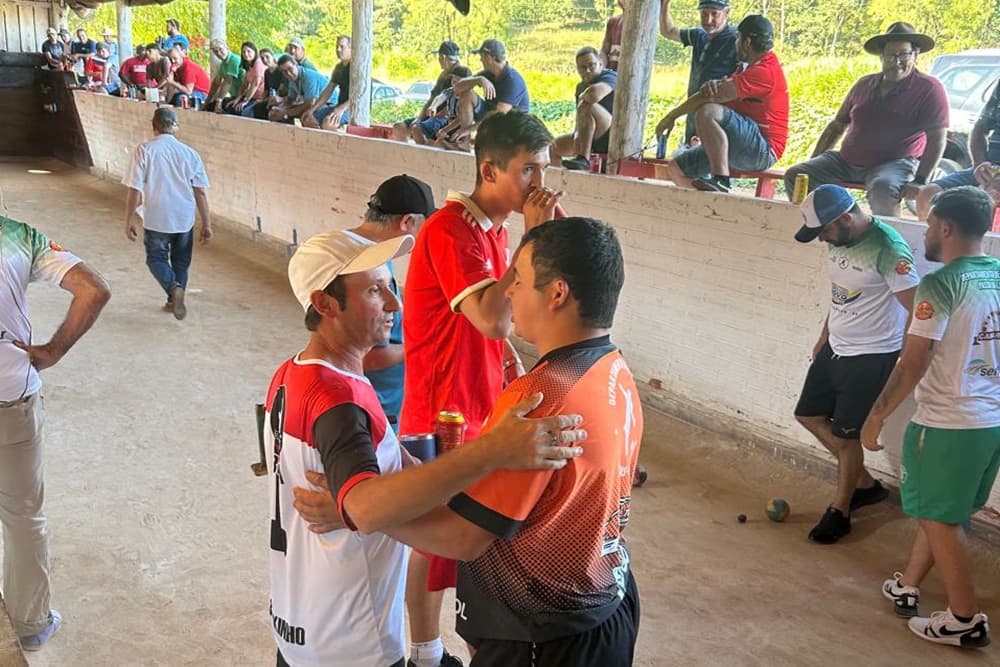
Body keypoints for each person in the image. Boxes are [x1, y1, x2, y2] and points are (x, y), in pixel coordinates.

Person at [266, 229, 584, 667]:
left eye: (390, 286)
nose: (395, 305)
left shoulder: (292, 373)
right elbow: (362, 505)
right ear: (324, 304)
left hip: (299, 626)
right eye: (376, 291)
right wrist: (492, 450)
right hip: (353, 643)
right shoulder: (339, 400)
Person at [399, 110, 563, 667]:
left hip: (474, 401)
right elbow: (492, 317)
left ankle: (464, 644)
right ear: (489, 170)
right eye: (527, 170)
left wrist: (507, 361)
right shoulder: (451, 230)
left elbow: (500, 327)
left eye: (542, 169)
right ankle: (423, 653)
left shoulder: (489, 232)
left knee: (469, 538)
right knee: (437, 540)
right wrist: (532, 240)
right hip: (441, 410)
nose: (537, 183)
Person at [445, 217, 642, 666]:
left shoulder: (540, 397)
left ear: (557, 293)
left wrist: (362, 509)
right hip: (606, 603)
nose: (508, 291)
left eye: (519, 279)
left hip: (544, 637)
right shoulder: (612, 368)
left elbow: (463, 536)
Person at [861, 186, 998, 648]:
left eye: (928, 224)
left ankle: (964, 618)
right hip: (990, 421)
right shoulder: (997, 277)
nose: (924, 235)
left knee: (940, 518)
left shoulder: (939, 285)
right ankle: (908, 585)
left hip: (949, 422)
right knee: (946, 511)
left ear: (945, 227)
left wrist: (876, 417)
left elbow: (913, 361)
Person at [0, 209, 110, 652]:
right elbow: (94, 290)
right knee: (23, 516)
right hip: (9, 396)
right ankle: (31, 623)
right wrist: (53, 351)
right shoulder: (17, 235)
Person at [792, 184, 919, 544]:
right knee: (808, 415)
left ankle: (840, 511)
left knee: (848, 437)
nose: (822, 240)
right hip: (836, 346)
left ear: (846, 218)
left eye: (825, 231)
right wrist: (824, 336)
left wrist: (903, 357)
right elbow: (841, 295)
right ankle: (863, 483)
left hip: (870, 355)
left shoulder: (888, 249)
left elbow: (919, 309)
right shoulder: (840, 240)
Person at [783, 22, 948, 217]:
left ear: (915, 55)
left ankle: (888, 239)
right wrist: (815, 158)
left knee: (883, 188)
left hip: (894, 163)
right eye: (890, 55)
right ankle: (829, 223)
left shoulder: (928, 88)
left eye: (903, 54)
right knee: (797, 175)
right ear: (881, 56)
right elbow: (837, 126)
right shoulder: (864, 84)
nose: (897, 61)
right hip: (846, 160)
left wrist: (920, 179)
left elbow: (937, 140)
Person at [655, 14, 788, 193]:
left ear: (747, 42)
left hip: (763, 150)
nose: (736, 43)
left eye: (738, 38)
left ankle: (721, 180)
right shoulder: (744, 68)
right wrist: (711, 88)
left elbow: (711, 99)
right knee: (676, 168)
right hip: (742, 142)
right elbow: (715, 93)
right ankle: (707, 206)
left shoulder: (764, 71)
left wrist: (671, 117)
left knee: (707, 111)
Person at [122, 107, 212, 320]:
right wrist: (207, 223)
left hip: (156, 216)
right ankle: (175, 297)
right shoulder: (190, 154)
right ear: (176, 128)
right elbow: (200, 191)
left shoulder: (144, 150)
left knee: (156, 258)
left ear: (154, 126)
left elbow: (134, 188)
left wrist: (129, 218)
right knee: (181, 261)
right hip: (184, 217)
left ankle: (173, 289)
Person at [914, 78, 1000, 219]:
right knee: (927, 194)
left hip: (994, 182)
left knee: (987, 203)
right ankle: (932, 240)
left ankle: (979, 241)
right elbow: (979, 129)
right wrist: (979, 164)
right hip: (989, 171)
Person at [659, 0, 738, 146]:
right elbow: (667, 31)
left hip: (718, 118)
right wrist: (665, 4)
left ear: (727, 12)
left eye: (715, 14)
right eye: (704, 14)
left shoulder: (736, 41)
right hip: (693, 113)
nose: (708, 20)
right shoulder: (698, 35)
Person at [448, 39, 530, 150]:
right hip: (491, 118)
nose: (480, 59)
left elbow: (498, 114)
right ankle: (464, 142)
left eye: (481, 56)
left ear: (488, 57)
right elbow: (457, 88)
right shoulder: (487, 74)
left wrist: (468, 129)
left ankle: (476, 140)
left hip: (510, 125)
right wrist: (478, 80)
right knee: (467, 93)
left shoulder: (513, 80)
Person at [553, 46, 617, 170]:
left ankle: (584, 159)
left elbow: (594, 95)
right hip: (589, 133)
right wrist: (577, 137)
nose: (587, 70)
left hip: (611, 131)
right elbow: (580, 118)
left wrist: (583, 97)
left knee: (587, 104)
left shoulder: (609, 76)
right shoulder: (580, 87)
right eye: (582, 67)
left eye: (591, 65)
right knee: (553, 146)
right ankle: (556, 183)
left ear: (600, 64)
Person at [392, 41, 465, 143]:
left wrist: (430, 119)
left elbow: (458, 105)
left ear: (443, 57)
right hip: (433, 114)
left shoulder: (463, 73)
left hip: (446, 118)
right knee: (399, 127)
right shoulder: (443, 75)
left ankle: (424, 155)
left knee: (417, 129)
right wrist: (419, 118)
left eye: (439, 58)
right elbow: (432, 98)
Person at [303, 35, 352, 131]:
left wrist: (341, 109)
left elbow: (359, 96)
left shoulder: (355, 68)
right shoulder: (338, 68)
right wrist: (312, 110)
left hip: (352, 109)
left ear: (351, 48)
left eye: (342, 47)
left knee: (327, 123)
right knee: (307, 119)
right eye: (337, 47)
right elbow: (328, 91)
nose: (338, 50)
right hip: (339, 107)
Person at [269, 55, 330, 124]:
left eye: (290, 69)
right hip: (313, 105)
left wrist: (286, 112)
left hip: (328, 104)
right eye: (284, 71)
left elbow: (310, 103)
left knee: (307, 118)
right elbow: (290, 99)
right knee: (273, 114)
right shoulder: (292, 79)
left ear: (296, 65)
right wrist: (279, 108)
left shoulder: (308, 76)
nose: (288, 73)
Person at [226, 42, 267, 117]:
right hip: (251, 97)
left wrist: (245, 101)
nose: (246, 54)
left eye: (249, 51)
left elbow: (255, 84)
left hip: (260, 98)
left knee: (244, 111)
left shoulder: (258, 63)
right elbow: (244, 85)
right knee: (230, 106)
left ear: (255, 52)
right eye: (244, 52)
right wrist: (237, 99)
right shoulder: (248, 65)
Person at [204, 39, 244, 112]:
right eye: (216, 52)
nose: (219, 53)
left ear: (226, 47)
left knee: (227, 109)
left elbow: (228, 81)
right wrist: (206, 102)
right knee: (209, 107)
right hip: (234, 97)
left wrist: (219, 101)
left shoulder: (234, 59)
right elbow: (216, 84)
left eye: (221, 49)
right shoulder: (223, 65)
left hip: (242, 97)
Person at [252, 48, 285, 120]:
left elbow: (281, 89)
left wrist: (270, 99)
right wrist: (261, 99)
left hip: (280, 98)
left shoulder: (280, 70)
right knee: (257, 107)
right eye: (262, 58)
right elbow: (266, 89)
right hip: (270, 97)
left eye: (267, 57)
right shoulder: (266, 72)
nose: (265, 60)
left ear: (272, 56)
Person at [600, 0, 626, 72]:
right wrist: (601, 69)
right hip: (611, 73)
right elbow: (604, 51)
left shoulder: (643, 24)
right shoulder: (613, 22)